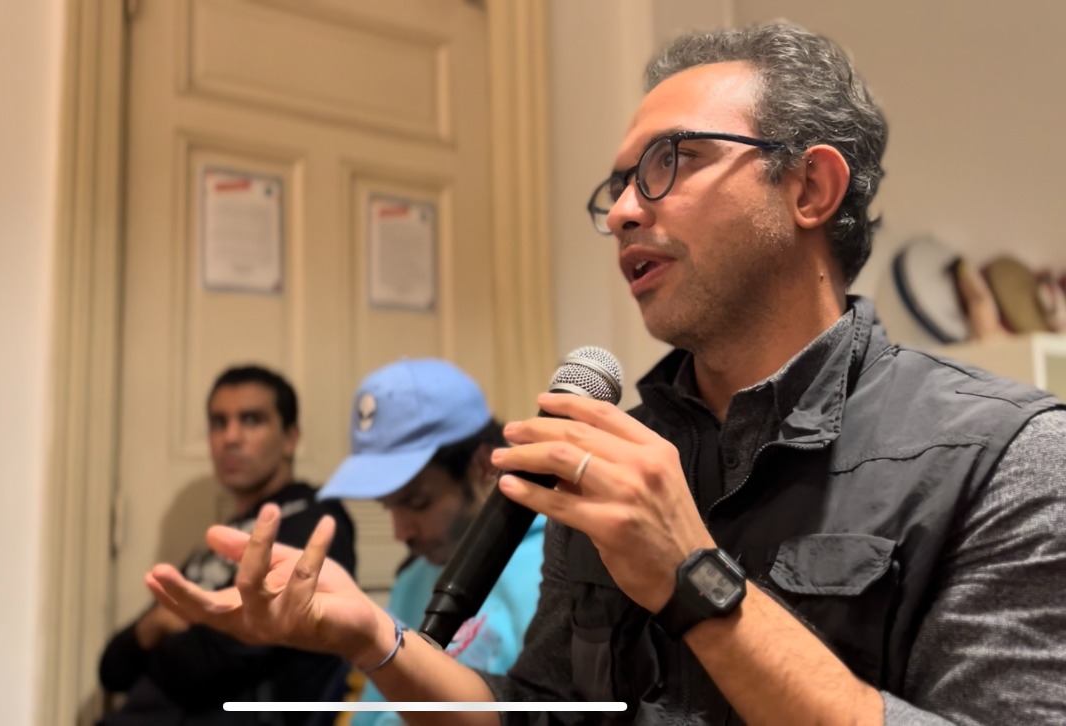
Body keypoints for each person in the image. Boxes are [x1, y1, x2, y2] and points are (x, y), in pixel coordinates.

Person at [143, 22, 1066, 726]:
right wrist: (374, 639)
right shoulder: (610, 454)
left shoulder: (1007, 457)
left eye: (673, 162)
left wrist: (693, 579)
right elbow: (542, 711)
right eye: (618, 185)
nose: (624, 210)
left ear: (810, 189)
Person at [98, 365, 357, 726]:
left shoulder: (315, 522)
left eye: (251, 420)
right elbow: (113, 669)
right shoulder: (220, 541)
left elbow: (224, 656)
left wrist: (169, 635)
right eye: (218, 422)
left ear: (290, 438)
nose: (230, 437)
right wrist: (156, 624)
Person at [316, 359, 545, 725]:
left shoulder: (556, 568)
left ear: (483, 466)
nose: (400, 532)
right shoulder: (411, 581)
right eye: (388, 506)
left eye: (417, 502)